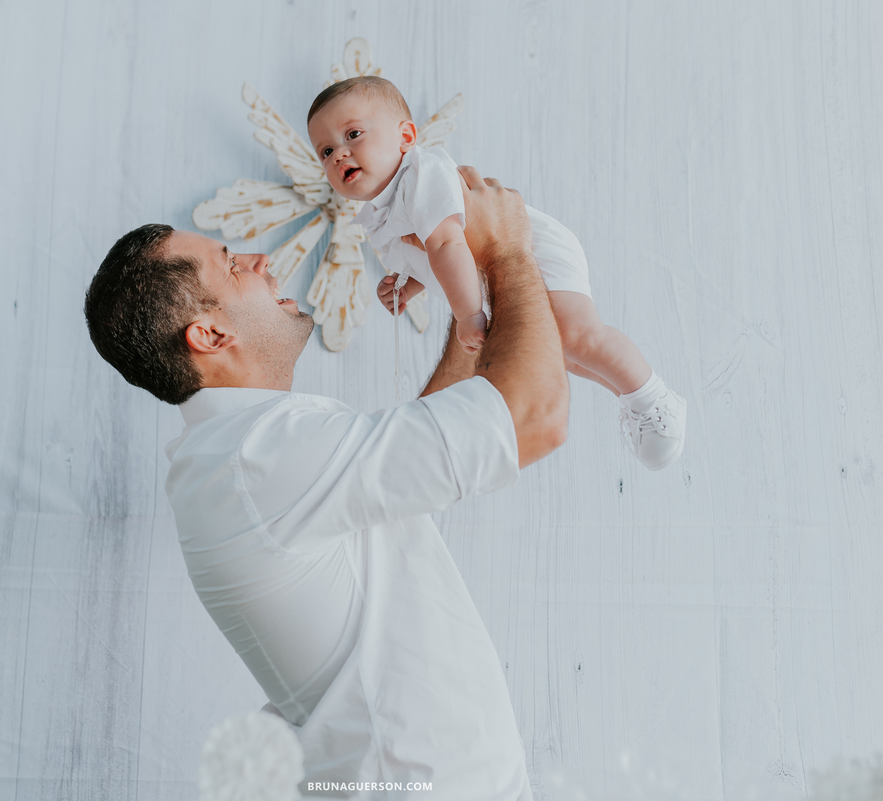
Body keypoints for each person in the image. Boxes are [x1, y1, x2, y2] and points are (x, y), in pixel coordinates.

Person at [84, 167, 565, 799]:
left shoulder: (238, 458)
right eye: (231, 265)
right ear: (209, 334)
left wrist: (468, 295)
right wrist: (506, 249)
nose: (258, 260)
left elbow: (423, 448)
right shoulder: (259, 454)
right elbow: (533, 418)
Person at [307, 75, 687, 471]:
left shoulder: (420, 175)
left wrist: (469, 316)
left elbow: (447, 244)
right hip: (494, 272)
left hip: (532, 251)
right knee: (559, 352)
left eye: (353, 134)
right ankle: (633, 398)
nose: (339, 155)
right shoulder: (379, 215)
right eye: (326, 151)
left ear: (405, 136)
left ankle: (656, 399)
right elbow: (431, 255)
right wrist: (410, 285)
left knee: (578, 335)